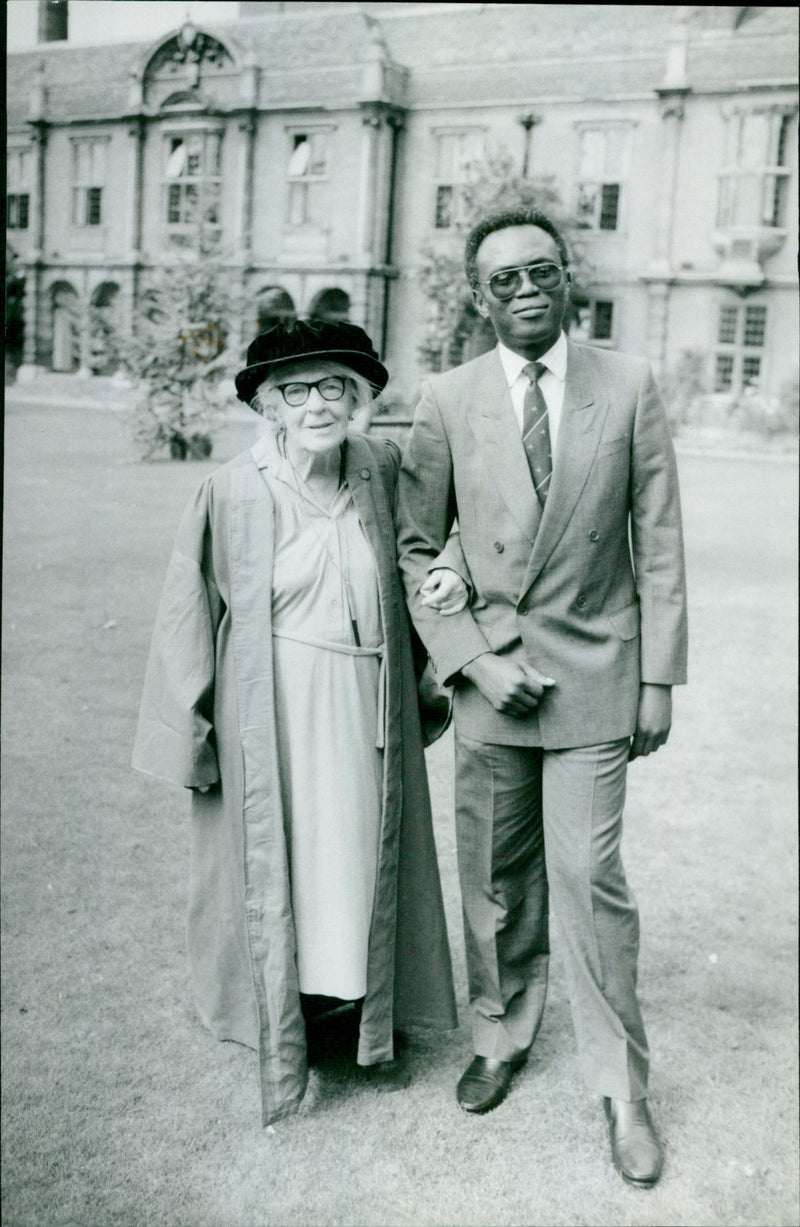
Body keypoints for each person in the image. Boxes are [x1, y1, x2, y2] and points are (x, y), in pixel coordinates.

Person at [396, 207, 688, 1188]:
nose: (522, 292)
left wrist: (655, 681)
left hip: (597, 682)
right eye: (501, 281)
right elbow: (415, 550)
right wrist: (471, 659)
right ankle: (499, 1034)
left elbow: (659, 546)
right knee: (492, 872)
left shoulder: (630, 385)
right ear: (478, 295)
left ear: (567, 277)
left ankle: (620, 1086)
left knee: (588, 879)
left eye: (538, 273)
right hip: (491, 688)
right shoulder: (443, 399)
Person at [133, 318, 457, 1127]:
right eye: (297, 389)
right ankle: (291, 1020)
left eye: (336, 387)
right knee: (288, 860)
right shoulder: (232, 489)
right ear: (269, 405)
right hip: (271, 705)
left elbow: (437, 545)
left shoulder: (382, 469)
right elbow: (187, 611)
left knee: (355, 858)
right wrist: (192, 730)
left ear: (359, 397)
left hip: (364, 702)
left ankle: (362, 1021)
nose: (319, 404)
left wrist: (449, 570)